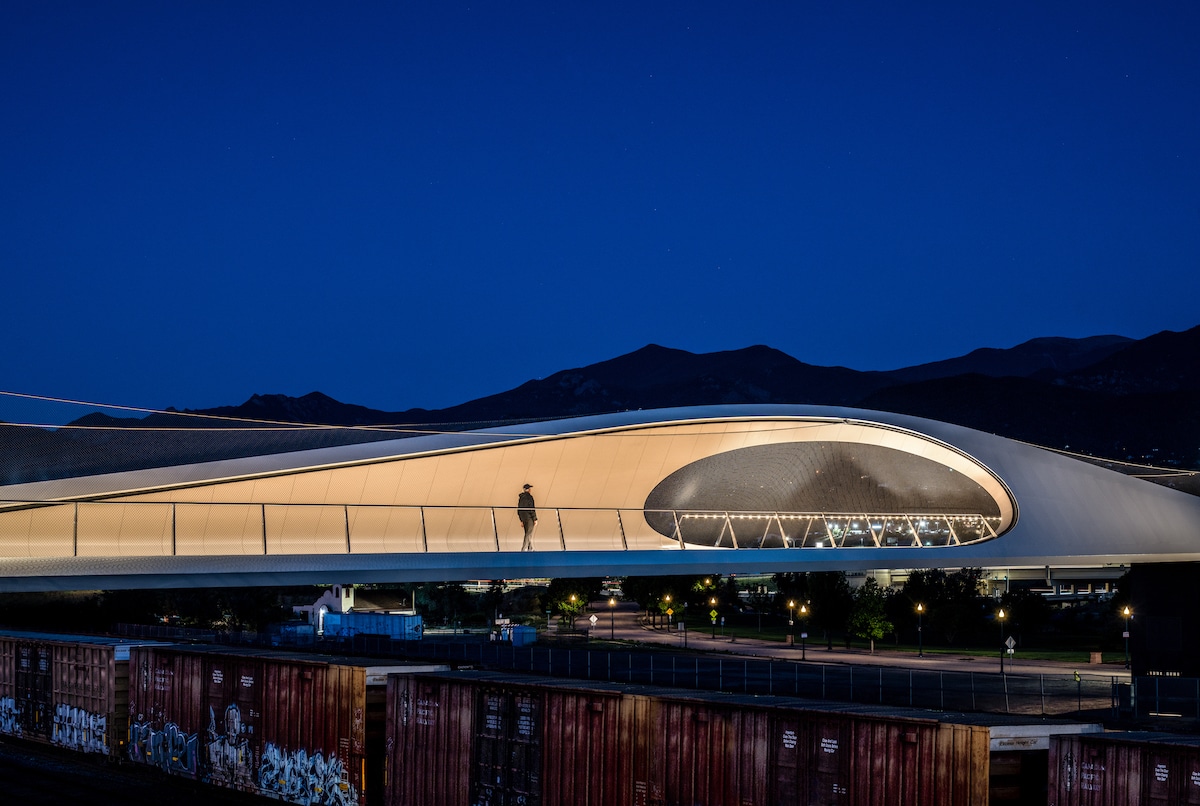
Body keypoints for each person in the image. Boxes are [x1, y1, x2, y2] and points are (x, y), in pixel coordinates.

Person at [518, 483, 537, 551]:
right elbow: (532, 508)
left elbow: (519, 510)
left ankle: (530, 547)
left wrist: (521, 520)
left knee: (527, 532)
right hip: (529, 518)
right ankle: (524, 548)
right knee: (529, 533)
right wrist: (535, 518)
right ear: (528, 490)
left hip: (523, 518)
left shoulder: (521, 498)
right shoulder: (529, 497)